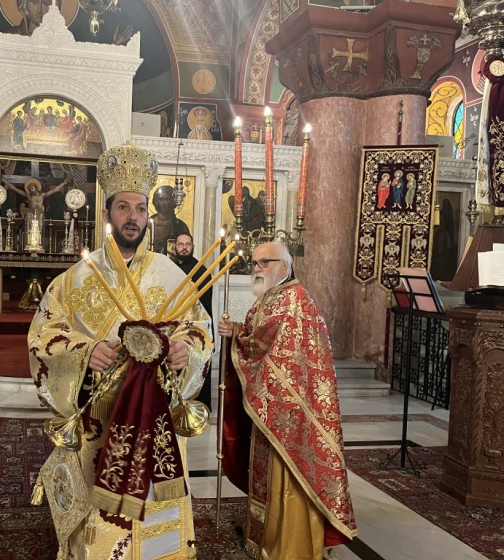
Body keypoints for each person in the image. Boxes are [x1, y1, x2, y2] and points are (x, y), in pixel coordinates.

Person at [28, 143, 213, 558]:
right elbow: (43, 335)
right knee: (103, 518)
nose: (134, 217)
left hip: (157, 413)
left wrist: (186, 352)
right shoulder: (76, 278)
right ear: (107, 213)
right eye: (124, 207)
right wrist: (83, 352)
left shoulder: (171, 274)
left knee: (155, 509)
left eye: (141, 209)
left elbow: (200, 330)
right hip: (102, 416)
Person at [218, 242, 357, 559]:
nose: (256, 269)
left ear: (285, 265)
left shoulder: (295, 299)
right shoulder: (273, 296)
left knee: (289, 473)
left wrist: (239, 336)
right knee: (268, 473)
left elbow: (267, 346)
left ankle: (289, 545)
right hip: (272, 405)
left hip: (292, 410)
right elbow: (258, 339)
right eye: (254, 263)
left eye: (263, 263)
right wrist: (236, 331)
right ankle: (266, 538)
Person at [171, 233, 213, 409]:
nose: (184, 248)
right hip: (173, 326)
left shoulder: (201, 271)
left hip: (193, 328)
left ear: (193, 247)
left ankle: (197, 408)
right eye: (180, 244)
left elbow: (203, 307)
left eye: (187, 244)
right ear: (174, 246)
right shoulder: (170, 268)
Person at [149, 184, 190, 253]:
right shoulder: (148, 223)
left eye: (166, 199)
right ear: (156, 201)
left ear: (172, 201)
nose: (163, 203)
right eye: (161, 199)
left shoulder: (180, 226)